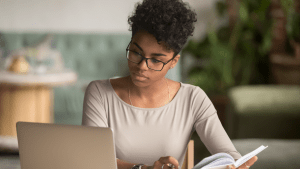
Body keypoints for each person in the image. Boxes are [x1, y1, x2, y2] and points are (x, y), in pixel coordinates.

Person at [82, 0, 258, 169]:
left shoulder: (192, 98)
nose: (142, 66)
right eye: (136, 52)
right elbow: (92, 160)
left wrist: (236, 164)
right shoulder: (99, 93)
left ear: (174, 61)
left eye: (156, 60)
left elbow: (227, 153)